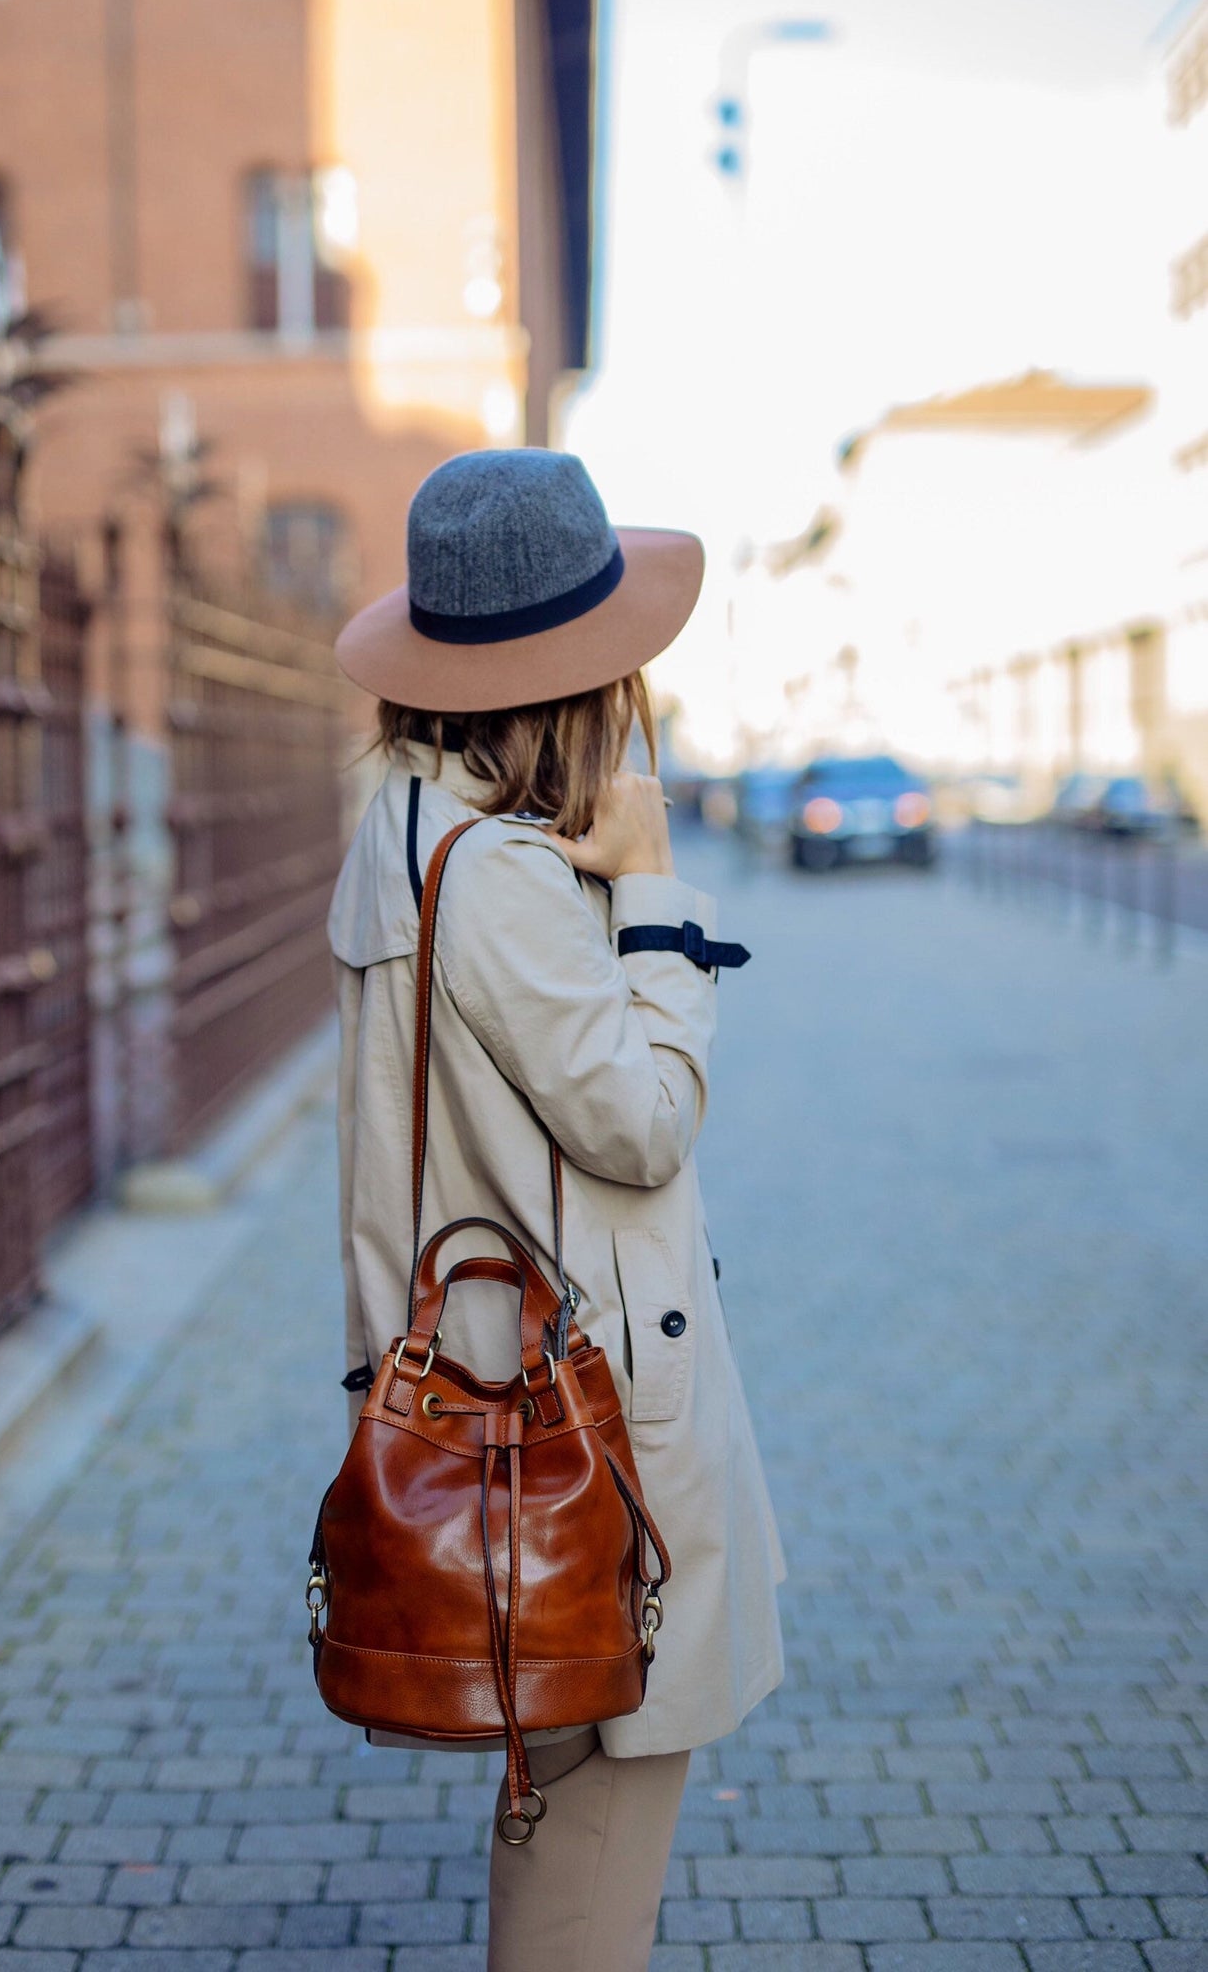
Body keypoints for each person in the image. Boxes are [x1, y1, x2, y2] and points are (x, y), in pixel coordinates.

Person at [327, 448, 787, 1972]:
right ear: (578, 684)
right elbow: (641, 1125)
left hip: (510, 1381)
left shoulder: (407, 830)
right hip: (584, 1415)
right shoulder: (500, 879)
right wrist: (652, 898)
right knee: (607, 1785)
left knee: (565, 1779)